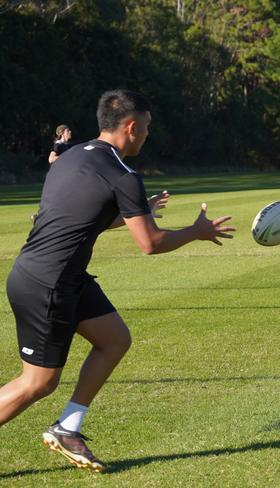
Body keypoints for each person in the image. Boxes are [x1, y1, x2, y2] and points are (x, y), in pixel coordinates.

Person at [1, 89, 236, 472]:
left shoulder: (71, 155)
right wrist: (196, 231)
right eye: (146, 127)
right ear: (131, 126)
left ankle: (68, 427)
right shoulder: (124, 174)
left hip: (58, 276)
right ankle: (63, 425)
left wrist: (135, 212)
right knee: (37, 383)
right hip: (49, 284)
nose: (147, 135)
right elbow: (150, 244)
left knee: (114, 339)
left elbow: (80, 215)